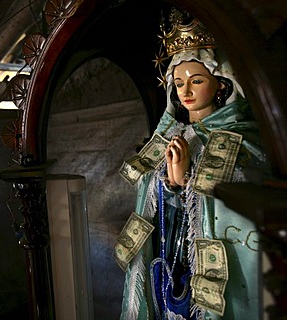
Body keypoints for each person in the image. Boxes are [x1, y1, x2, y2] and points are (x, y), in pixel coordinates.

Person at [116, 8, 270, 320]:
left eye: (196, 80)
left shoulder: (245, 139)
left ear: (221, 83)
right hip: (173, 258)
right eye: (178, 82)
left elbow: (247, 204)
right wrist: (170, 186)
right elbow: (156, 209)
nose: (185, 91)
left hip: (217, 272)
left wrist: (187, 181)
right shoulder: (169, 136)